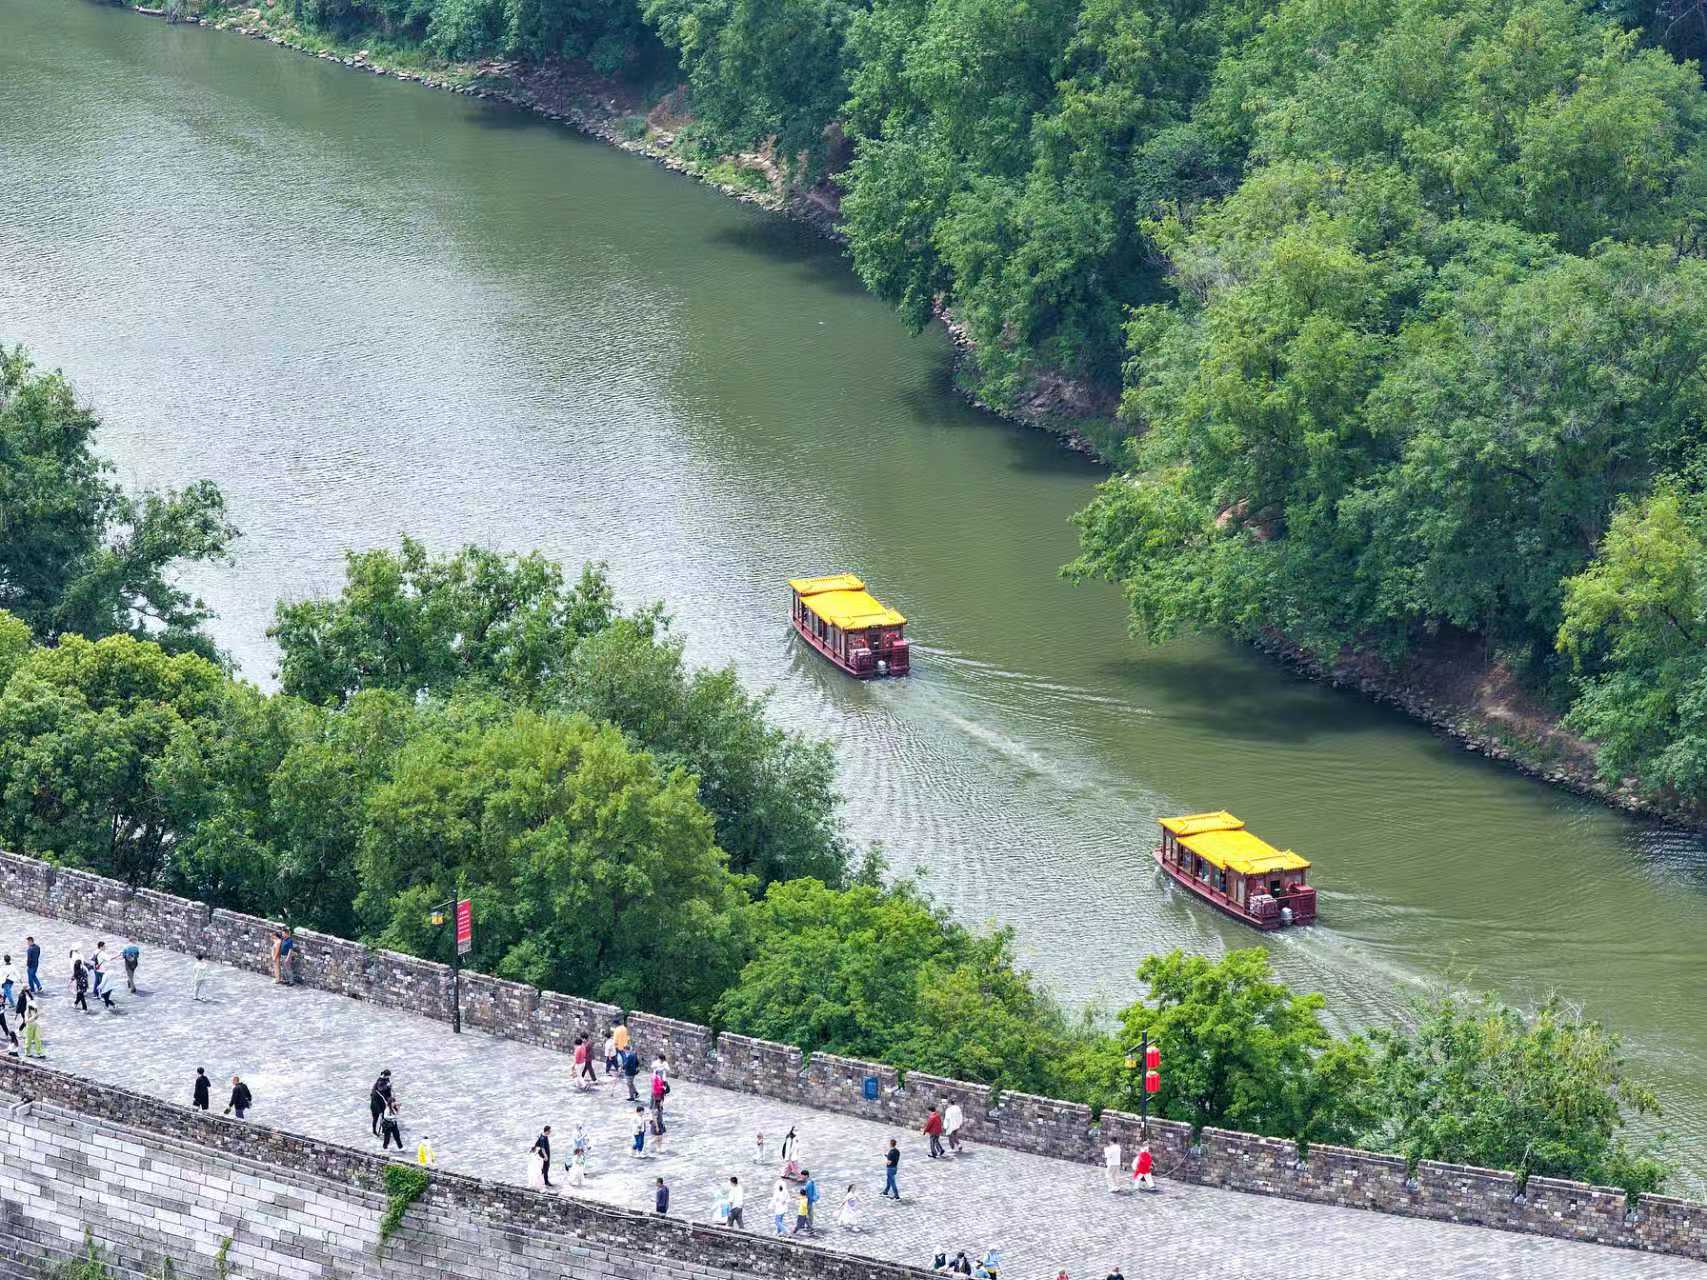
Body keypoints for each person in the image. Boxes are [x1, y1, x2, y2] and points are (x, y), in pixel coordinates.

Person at [370, 1070, 394, 1136]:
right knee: (376, 1117)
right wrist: (387, 1086)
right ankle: (374, 1130)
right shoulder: (380, 1082)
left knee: (384, 1116)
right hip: (376, 1102)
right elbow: (381, 1089)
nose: (388, 1078)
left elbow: (388, 1092)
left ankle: (384, 1129)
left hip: (383, 1102)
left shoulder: (386, 1079)